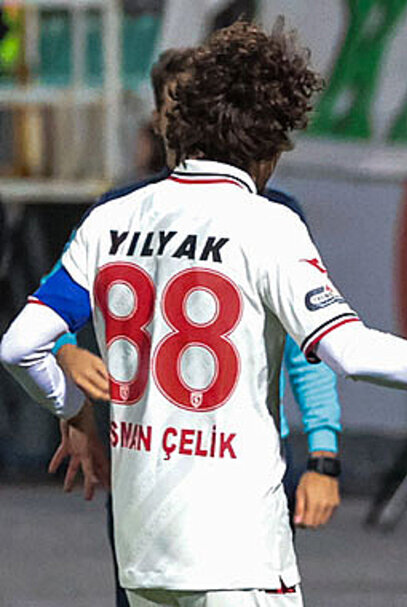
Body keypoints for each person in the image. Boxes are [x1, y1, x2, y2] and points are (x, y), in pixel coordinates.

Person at [0, 20, 407, 607]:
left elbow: (20, 346)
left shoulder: (111, 219)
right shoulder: (267, 224)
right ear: (269, 142)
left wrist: (72, 410)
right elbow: (349, 352)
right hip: (237, 553)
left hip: (144, 554)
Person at [45, 46, 345, 607]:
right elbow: (45, 320)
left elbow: (308, 347)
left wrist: (323, 456)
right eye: (175, 103)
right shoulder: (120, 208)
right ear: (161, 117)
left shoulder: (272, 214)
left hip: (241, 467)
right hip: (144, 465)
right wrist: (65, 358)